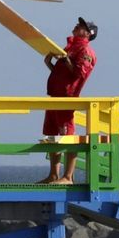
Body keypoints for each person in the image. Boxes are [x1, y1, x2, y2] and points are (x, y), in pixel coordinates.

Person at [40, 17, 98, 184]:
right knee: (51, 134)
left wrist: (65, 60)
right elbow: (63, 73)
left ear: (88, 33)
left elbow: (79, 74)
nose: (76, 26)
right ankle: (53, 174)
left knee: (67, 135)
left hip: (67, 98)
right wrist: (50, 63)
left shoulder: (85, 51)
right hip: (55, 97)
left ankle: (68, 176)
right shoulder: (71, 47)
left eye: (81, 26)